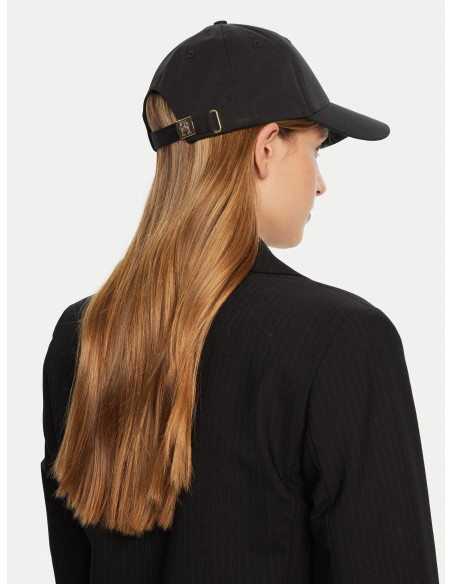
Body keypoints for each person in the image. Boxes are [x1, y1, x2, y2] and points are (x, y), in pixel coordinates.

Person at [41, 21, 440, 583]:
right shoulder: (343, 339)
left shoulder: (86, 334)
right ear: (266, 148)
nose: (320, 184)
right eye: (315, 150)